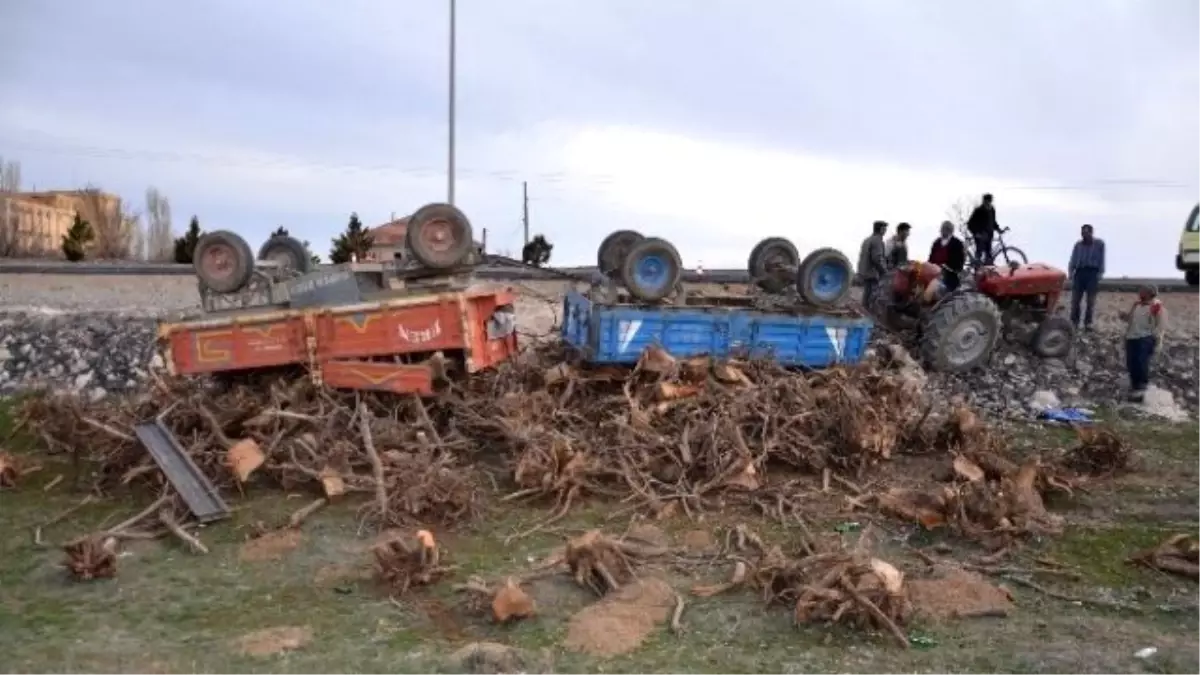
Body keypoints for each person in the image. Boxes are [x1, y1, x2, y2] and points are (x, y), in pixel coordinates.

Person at [1121, 284, 1167, 403]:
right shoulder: (1136, 305)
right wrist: (1123, 316)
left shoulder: (1156, 306)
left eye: (1142, 291)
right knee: (1131, 363)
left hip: (1145, 338)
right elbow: (1130, 319)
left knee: (1141, 363)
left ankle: (1142, 388)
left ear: (1149, 293)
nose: (1139, 292)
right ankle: (1134, 387)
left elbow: (1160, 325)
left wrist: (1156, 340)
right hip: (1132, 337)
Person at [1067, 224, 1105, 331]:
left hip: (1092, 273)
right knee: (1075, 300)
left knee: (1090, 301)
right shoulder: (1078, 245)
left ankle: (1088, 323)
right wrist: (1070, 271)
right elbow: (1073, 258)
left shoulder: (1099, 244)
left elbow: (1102, 259)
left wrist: (1100, 273)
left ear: (1091, 233)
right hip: (1079, 272)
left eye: (1086, 233)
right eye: (1082, 233)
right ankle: (1074, 322)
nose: (1084, 235)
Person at [928, 220, 966, 293]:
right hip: (934, 273)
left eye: (946, 229)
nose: (943, 231)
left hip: (949, 275)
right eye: (942, 229)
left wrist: (948, 267)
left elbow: (960, 261)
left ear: (950, 230)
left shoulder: (957, 243)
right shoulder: (936, 243)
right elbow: (931, 258)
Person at [857, 220, 889, 307]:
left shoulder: (866, 240)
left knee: (866, 295)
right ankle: (869, 316)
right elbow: (877, 258)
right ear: (881, 229)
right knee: (872, 298)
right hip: (873, 274)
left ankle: (864, 313)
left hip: (864, 272)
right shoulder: (877, 240)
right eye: (885, 229)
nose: (886, 231)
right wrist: (885, 271)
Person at [966, 193, 1000, 265]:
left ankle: (988, 268)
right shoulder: (978, 210)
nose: (987, 203)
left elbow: (993, 221)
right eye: (986, 201)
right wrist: (976, 233)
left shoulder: (992, 209)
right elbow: (970, 224)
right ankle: (977, 269)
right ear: (983, 201)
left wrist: (998, 229)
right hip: (980, 236)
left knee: (988, 255)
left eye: (989, 201)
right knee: (979, 255)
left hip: (989, 235)